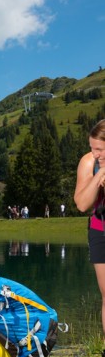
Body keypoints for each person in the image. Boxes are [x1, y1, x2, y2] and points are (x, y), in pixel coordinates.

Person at [74, 119, 105, 336]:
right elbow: (82, 203)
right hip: (100, 230)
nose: (95, 154)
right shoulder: (88, 162)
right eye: (92, 148)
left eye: (100, 149)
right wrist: (99, 176)